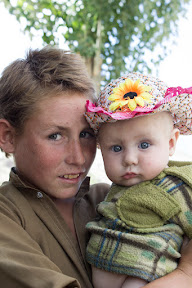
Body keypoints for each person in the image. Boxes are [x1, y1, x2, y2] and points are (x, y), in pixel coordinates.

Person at [0, 49, 191, 288]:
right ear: (8, 136)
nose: (78, 157)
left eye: (86, 134)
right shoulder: (7, 218)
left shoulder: (108, 199)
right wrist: (186, 275)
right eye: (55, 135)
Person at [85, 72, 192, 288]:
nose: (129, 159)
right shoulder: (108, 190)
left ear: (171, 143)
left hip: (147, 276)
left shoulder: (176, 186)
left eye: (144, 145)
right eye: (116, 148)